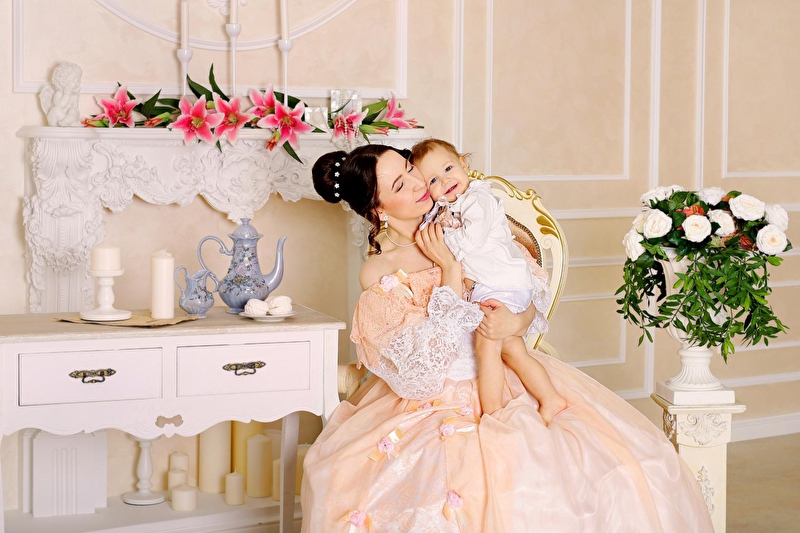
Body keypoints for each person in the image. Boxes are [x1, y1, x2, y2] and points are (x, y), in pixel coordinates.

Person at [303, 144, 714, 532]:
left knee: (621, 469)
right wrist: (449, 270)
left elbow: (526, 293)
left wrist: (515, 321)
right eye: (399, 185)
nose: (417, 184)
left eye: (411, 169)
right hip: (436, 396)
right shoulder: (380, 271)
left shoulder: (465, 220)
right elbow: (422, 374)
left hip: (509, 368)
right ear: (377, 208)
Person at [412, 138, 566, 423]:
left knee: (486, 348)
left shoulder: (477, 198)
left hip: (503, 284)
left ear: (463, 164)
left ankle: (493, 412)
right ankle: (551, 398)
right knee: (512, 348)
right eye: (433, 180)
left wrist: (443, 242)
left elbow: (471, 239)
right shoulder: (453, 206)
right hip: (500, 285)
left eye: (448, 169)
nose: (444, 181)